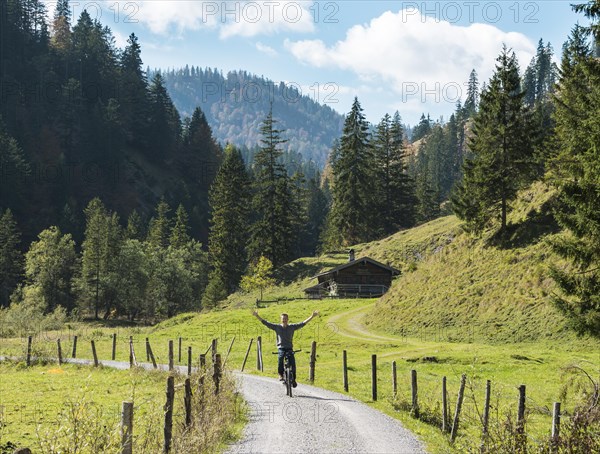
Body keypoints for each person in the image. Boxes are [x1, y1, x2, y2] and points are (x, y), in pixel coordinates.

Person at [252, 309, 319, 387]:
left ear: (288, 320)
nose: (284, 320)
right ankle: (280, 374)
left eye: (285, 319)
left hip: (289, 348)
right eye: (283, 319)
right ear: (281, 320)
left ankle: (293, 379)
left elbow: (303, 323)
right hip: (281, 348)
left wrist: (312, 316)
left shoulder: (292, 327)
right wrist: (257, 316)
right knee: (280, 359)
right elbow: (266, 323)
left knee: (293, 364)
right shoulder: (277, 327)